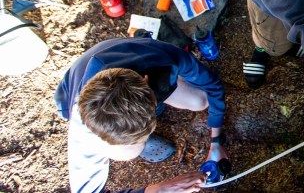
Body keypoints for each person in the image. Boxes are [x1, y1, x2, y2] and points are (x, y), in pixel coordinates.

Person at [54, 37, 228, 193]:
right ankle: (130, 136)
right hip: (73, 86)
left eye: (142, 139)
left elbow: (212, 85)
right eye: (140, 139)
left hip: (127, 58)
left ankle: (135, 130)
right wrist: (156, 191)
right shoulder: (82, 125)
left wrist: (216, 141)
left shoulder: (160, 55)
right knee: (125, 152)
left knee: (200, 101)